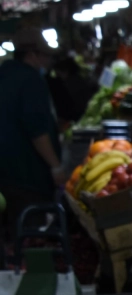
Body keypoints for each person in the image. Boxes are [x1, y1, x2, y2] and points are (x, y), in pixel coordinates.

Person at [0, 27, 62, 231]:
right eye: (46, 56)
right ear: (31, 55)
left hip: (5, 176)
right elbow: (37, 130)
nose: (49, 62)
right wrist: (55, 166)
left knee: (10, 238)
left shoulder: (4, 74)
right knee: (31, 236)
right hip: (27, 176)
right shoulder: (31, 80)